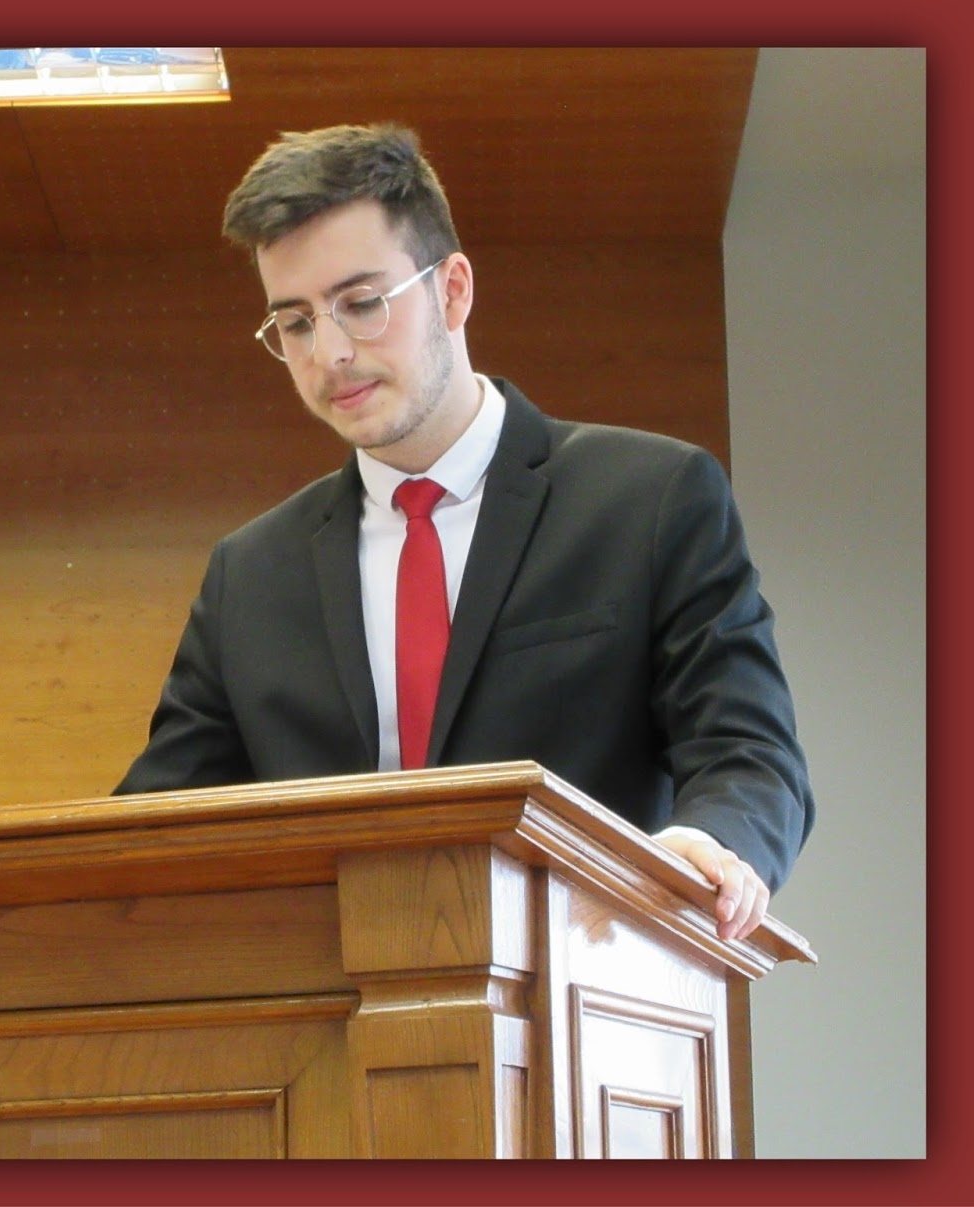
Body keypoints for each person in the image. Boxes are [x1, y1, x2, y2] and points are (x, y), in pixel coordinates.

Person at [114, 123, 814, 941]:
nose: (330, 352)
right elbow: (149, 831)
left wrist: (711, 843)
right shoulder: (251, 574)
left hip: (586, 973)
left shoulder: (650, 498)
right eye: (296, 323)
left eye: (361, 304)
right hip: (326, 1000)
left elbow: (748, 754)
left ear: (452, 290)